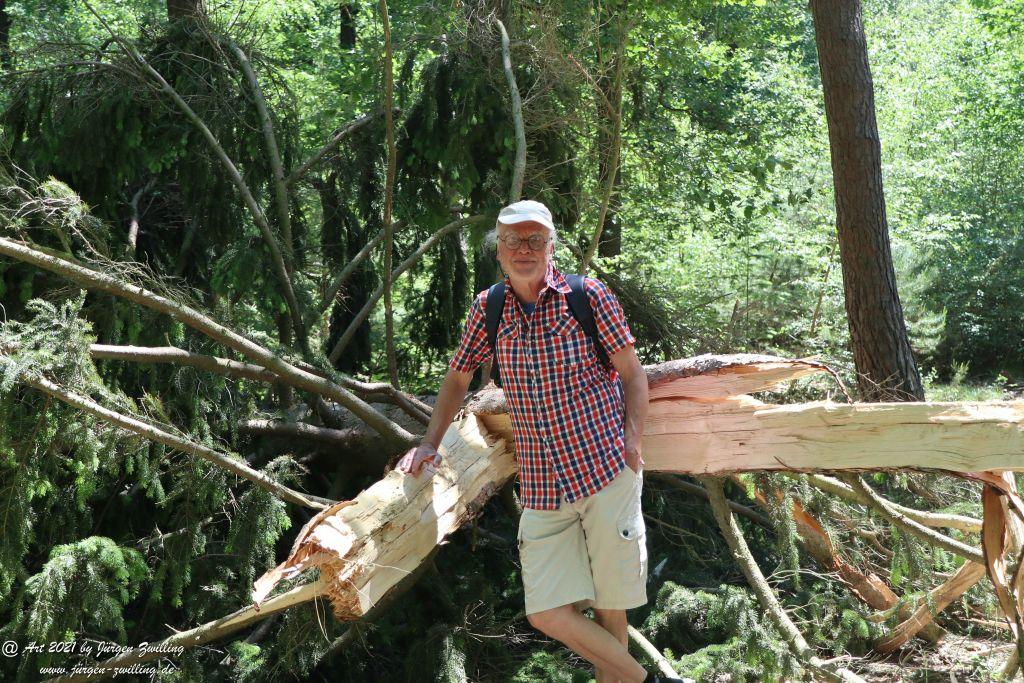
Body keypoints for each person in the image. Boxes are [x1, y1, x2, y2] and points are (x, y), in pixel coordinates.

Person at [399, 200, 679, 683]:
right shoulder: (488, 308)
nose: (523, 249)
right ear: (499, 251)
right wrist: (429, 443)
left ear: (551, 247)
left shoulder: (586, 296)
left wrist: (633, 441)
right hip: (543, 485)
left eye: (534, 240)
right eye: (513, 240)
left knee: (610, 606)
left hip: (605, 469)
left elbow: (633, 375)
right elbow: (458, 377)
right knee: (547, 612)